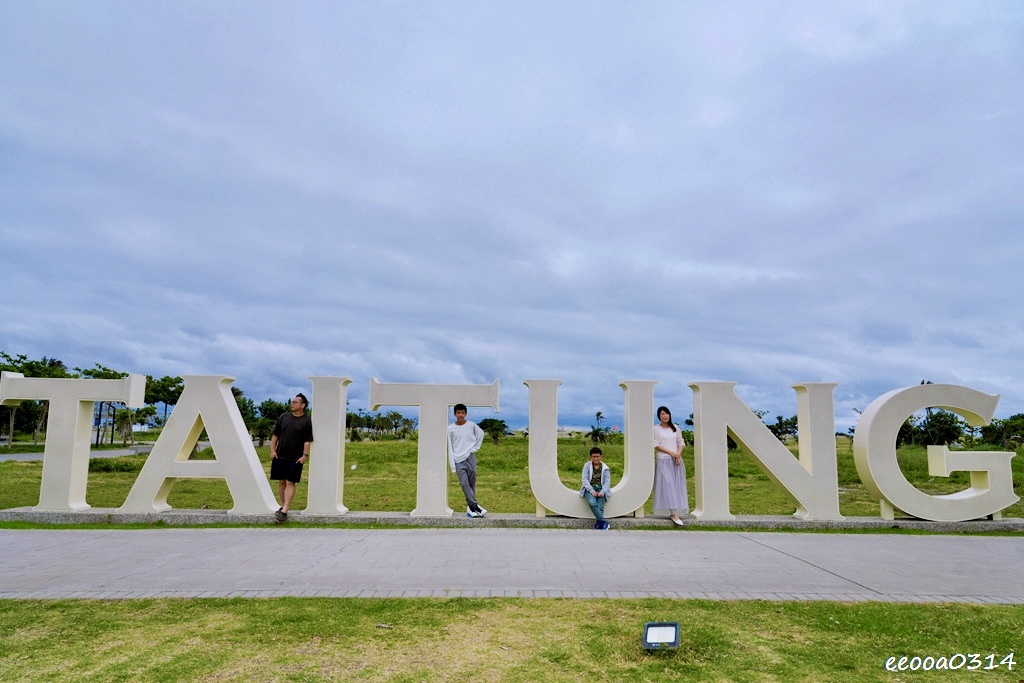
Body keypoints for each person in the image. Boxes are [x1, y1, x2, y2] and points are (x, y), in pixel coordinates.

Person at [269, 393, 313, 522]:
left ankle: (285, 509)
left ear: (303, 405)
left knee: (290, 482)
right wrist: (272, 450)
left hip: (295, 457)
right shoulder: (283, 417)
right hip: (280, 455)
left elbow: (307, 440)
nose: (292, 404)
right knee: (281, 481)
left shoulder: (307, 420)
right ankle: (282, 507)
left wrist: (305, 455)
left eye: (295, 402)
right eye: (292, 402)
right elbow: (275, 435)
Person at [447, 403, 487, 518]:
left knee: (471, 483)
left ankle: (470, 509)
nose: (460, 415)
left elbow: (481, 435)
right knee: (464, 483)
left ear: (465, 414)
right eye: (458, 413)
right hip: (458, 459)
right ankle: (475, 506)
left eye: (462, 413)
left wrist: (474, 449)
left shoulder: (472, 425)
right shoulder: (450, 429)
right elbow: (450, 447)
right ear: (455, 414)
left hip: (470, 457)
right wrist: (452, 465)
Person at [653, 405, 688, 526]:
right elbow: (656, 444)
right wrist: (671, 453)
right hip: (663, 460)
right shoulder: (656, 429)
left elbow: (681, 442)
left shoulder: (675, 428)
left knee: (676, 486)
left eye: (667, 413)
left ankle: (675, 512)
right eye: (662, 414)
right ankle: (674, 513)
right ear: (659, 416)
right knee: (668, 485)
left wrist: (678, 455)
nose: (665, 416)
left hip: (676, 461)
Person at [580, 446, 612, 530]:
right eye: (594, 456)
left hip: (601, 488)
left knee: (600, 506)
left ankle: (599, 524)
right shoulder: (587, 466)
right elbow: (584, 479)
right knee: (592, 503)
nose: (596, 458)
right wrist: (591, 490)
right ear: (590, 457)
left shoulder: (605, 468)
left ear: (601, 457)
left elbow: (607, 482)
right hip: (590, 488)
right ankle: (604, 522)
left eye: (597, 456)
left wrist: (602, 492)